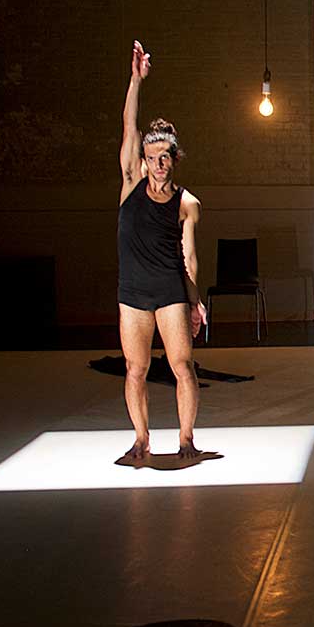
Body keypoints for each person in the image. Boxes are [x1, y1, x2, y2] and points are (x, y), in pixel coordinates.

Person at [115, 40, 207, 466]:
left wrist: (195, 301)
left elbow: (189, 257)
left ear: (174, 158)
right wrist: (136, 80)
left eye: (165, 157)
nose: (158, 164)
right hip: (133, 292)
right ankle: (141, 439)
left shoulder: (187, 203)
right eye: (152, 157)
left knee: (182, 367)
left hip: (170, 290)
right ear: (144, 160)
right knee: (135, 369)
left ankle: (187, 440)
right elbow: (129, 126)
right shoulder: (131, 183)